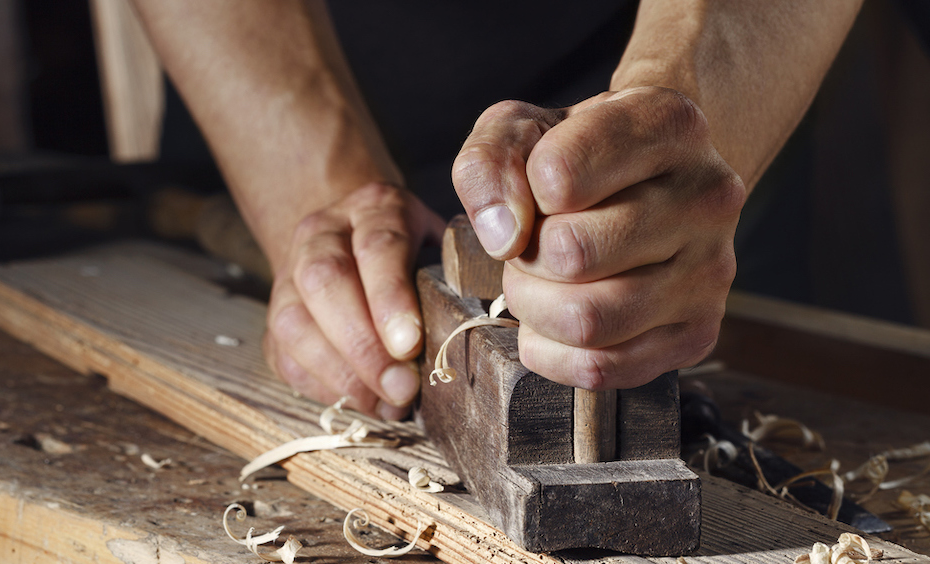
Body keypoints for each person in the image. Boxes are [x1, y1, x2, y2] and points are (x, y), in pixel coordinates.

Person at [130, 0, 864, 419]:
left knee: (682, 361)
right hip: (288, 66)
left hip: (693, 63)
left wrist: (669, 121)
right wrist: (323, 194)